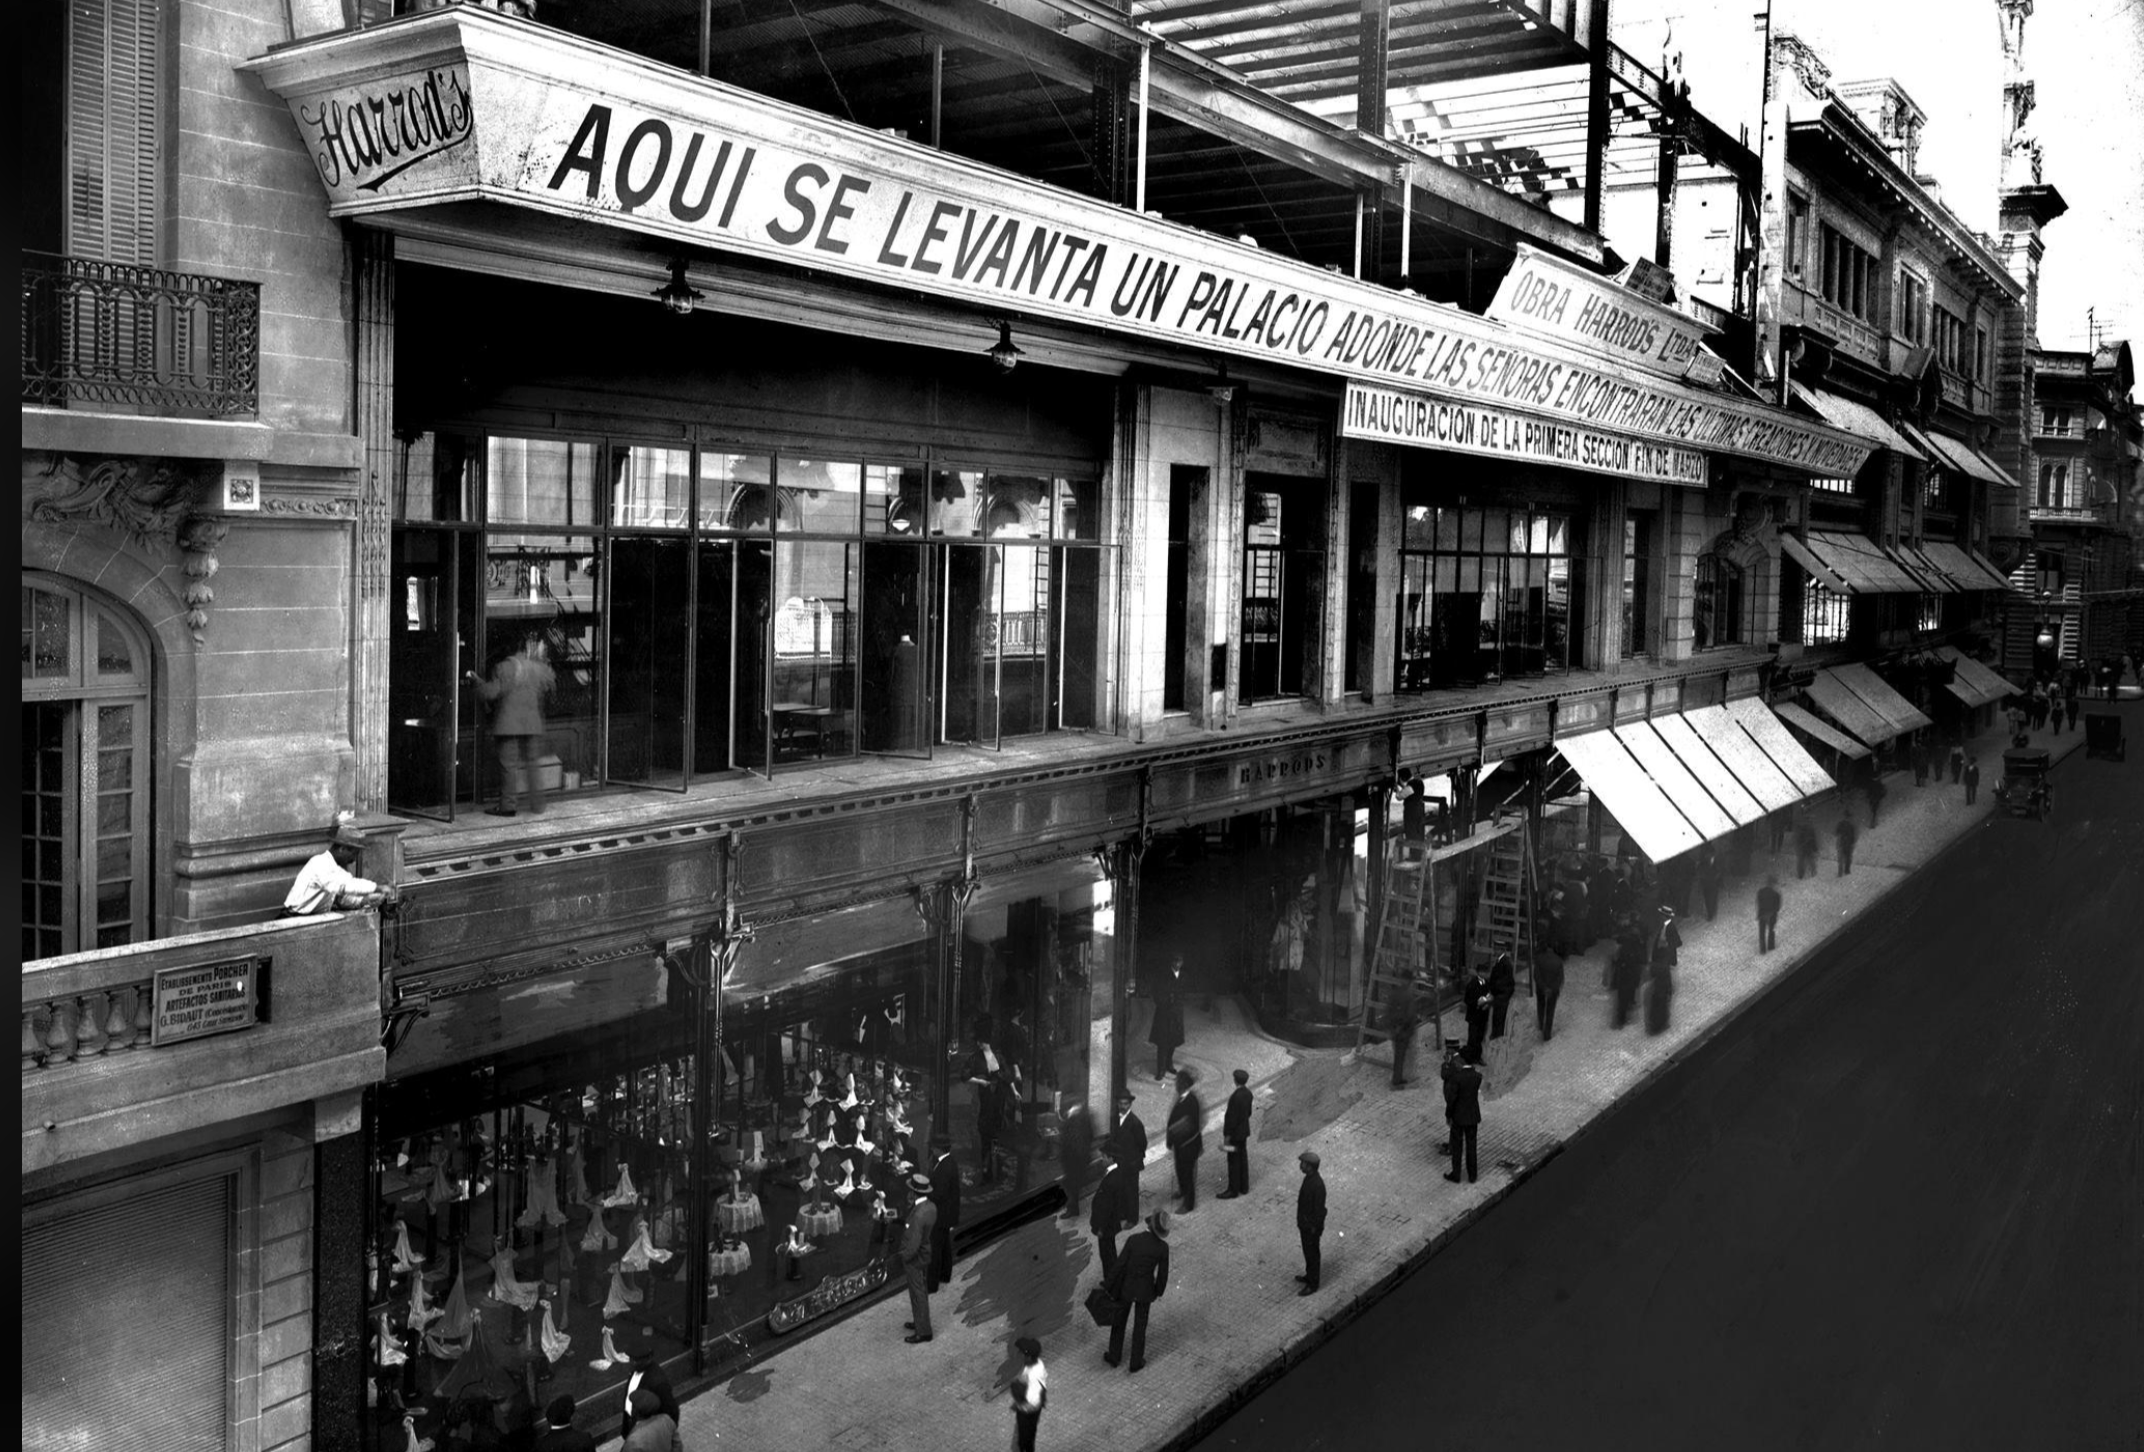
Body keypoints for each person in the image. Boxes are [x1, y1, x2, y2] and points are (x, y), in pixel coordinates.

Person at [467, 630, 555, 818]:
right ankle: (538, 805)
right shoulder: (537, 668)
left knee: (509, 766)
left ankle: (508, 806)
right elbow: (550, 683)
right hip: (532, 724)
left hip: (508, 725)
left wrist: (476, 682)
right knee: (533, 764)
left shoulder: (504, 667)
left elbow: (490, 693)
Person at [1102, 1210, 1170, 1372]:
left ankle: (1114, 1356)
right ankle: (1135, 1362)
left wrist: (1108, 1284)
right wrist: (1158, 1291)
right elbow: (1162, 1274)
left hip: (1127, 1287)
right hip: (1145, 1291)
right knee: (1140, 1326)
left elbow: (1120, 1265)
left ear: (1149, 1224)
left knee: (1119, 1322)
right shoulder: (1162, 1248)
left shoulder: (1134, 1240)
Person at [283, 819, 394, 916]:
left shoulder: (337, 870)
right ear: (342, 849)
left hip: (313, 918)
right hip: (294, 918)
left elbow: (341, 899)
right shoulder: (320, 863)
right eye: (353, 854)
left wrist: (364, 900)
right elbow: (345, 886)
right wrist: (377, 888)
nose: (354, 860)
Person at [965, 1029, 1015, 1185]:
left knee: (997, 1145)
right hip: (985, 1112)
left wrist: (999, 1074)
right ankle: (987, 1174)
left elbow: (1008, 1076)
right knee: (985, 1145)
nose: (979, 1045)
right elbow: (966, 1077)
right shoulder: (976, 1059)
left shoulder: (999, 1058)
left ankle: (998, 1172)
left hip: (997, 1112)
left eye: (982, 1042)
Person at [1089, 1144, 1139, 1282]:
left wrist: (1100, 1228)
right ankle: (1113, 1279)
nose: (1101, 1159)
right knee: (1109, 1252)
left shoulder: (1112, 1180)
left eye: (1103, 1157)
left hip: (1107, 1226)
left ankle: (1111, 1282)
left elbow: (1105, 1208)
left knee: (1107, 1254)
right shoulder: (1120, 1173)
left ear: (1111, 1158)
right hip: (1113, 1223)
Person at [899, 1170, 937, 1343]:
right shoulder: (930, 1207)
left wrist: (904, 1256)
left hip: (915, 1258)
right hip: (925, 1254)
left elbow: (914, 1242)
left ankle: (923, 1331)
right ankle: (920, 1322)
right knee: (920, 1291)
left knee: (917, 1293)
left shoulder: (918, 1214)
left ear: (914, 1192)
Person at [1440, 1046, 1483, 1184]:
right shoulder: (1477, 1076)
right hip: (1472, 1115)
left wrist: (1448, 1115)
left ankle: (1456, 1174)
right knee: (1472, 1146)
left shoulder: (1457, 1078)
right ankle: (1472, 1175)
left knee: (1457, 1147)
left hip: (1458, 1116)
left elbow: (1452, 1099)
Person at [1164, 1070, 1203, 1214]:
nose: (1176, 1084)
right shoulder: (1181, 1098)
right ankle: (1182, 1190)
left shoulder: (1192, 1101)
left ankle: (1188, 1203)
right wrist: (1170, 1140)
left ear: (1184, 1085)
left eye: (1178, 1082)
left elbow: (1188, 1125)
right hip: (1179, 1145)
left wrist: (1173, 1133)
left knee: (1188, 1174)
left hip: (1188, 1145)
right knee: (1180, 1170)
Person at [618, 1356, 678, 1448]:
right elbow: (677, 1444)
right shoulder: (667, 1422)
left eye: (633, 1360)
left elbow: (672, 1410)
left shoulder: (634, 1442)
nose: (630, 1362)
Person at [927, 1135, 960, 1293]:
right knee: (945, 1246)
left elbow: (939, 1194)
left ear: (939, 1149)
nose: (932, 1150)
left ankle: (932, 1284)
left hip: (941, 1215)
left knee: (936, 1249)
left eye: (934, 1148)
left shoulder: (944, 1167)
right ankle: (945, 1275)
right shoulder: (949, 1162)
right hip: (948, 1214)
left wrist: (925, 1194)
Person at [1147, 955, 1186, 1082]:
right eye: (1176, 961)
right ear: (1172, 962)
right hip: (1164, 1014)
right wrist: (1164, 1002)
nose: (1178, 964)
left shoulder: (1183, 976)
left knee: (1173, 1041)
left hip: (1176, 1014)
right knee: (1163, 1043)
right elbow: (1156, 992)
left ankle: (1169, 1064)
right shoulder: (1163, 975)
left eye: (1180, 961)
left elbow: (1184, 992)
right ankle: (1160, 1069)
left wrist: (1179, 1005)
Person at [1295, 1151, 1326, 1295]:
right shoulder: (1309, 1179)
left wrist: (1314, 1228)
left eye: (1303, 1163)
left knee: (1312, 1254)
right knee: (1308, 1253)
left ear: (1311, 1167)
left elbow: (1319, 1211)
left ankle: (1313, 1284)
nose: (1301, 1165)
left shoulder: (1317, 1185)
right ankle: (1309, 1276)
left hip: (1311, 1228)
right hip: (1305, 1225)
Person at [1056, 1100, 1094, 1220]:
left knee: (1071, 1184)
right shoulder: (1080, 1118)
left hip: (1075, 1159)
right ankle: (1073, 1208)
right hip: (1074, 1158)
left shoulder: (1079, 1120)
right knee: (1072, 1184)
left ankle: (1073, 1209)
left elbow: (1075, 1139)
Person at [1009, 1336, 1047, 1452]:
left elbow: (1030, 1398)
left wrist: (1018, 1389)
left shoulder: (1031, 1375)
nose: (1021, 1356)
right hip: (1036, 1406)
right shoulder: (1038, 1364)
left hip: (1027, 1409)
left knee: (1023, 1440)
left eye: (1023, 1354)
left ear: (1029, 1357)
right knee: (1030, 1436)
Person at [1219, 1069, 1253, 1198]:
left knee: (1233, 1162)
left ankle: (1233, 1190)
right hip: (1244, 1132)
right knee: (1243, 1159)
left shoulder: (1235, 1097)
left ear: (1235, 1080)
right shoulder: (1248, 1093)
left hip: (1234, 1135)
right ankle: (1244, 1187)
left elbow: (1231, 1120)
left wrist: (1227, 1137)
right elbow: (1249, 1112)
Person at [1387, 976, 1424, 1088]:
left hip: (1396, 1028)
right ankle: (1397, 1080)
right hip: (1403, 1030)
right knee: (1401, 1055)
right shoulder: (1408, 996)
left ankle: (1398, 1078)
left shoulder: (1396, 993)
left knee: (1399, 1055)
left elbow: (1389, 1010)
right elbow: (1408, 1015)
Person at [1610, 927, 1644, 1030]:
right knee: (1625, 998)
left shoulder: (1625, 948)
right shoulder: (1635, 948)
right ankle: (1621, 1019)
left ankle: (1620, 1019)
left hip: (1624, 977)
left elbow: (1617, 961)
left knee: (1622, 999)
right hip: (1629, 977)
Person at [1107, 1091, 1147, 1178]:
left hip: (1132, 1165)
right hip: (1120, 1162)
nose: (1123, 1107)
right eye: (1120, 1104)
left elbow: (1142, 1144)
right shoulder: (1115, 1119)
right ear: (1117, 1104)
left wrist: (1134, 1160)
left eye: (1125, 1104)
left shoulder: (1136, 1123)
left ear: (1130, 1105)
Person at [1459, 964, 1491, 1064]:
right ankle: (1470, 1059)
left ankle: (1477, 1056)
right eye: (1484, 972)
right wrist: (1477, 1003)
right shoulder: (1472, 984)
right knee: (1473, 1038)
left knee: (1480, 1037)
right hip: (1474, 1016)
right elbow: (1467, 1000)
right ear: (1479, 973)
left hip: (1483, 1015)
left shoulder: (1487, 983)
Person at [1533, 944, 1565, 1040]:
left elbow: (1536, 975)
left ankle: (1541, 1024)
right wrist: (1552, 988)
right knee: (1550, 1011)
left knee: (1541, 1006)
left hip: (1541, 989)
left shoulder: (1539, 959)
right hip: (1553, 991)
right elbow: (1560, 978)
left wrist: (1543, 987)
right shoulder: (1558, 961)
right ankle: (1547, 1033)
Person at [1486, 952, 1516, 1040]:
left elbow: (1508, 981)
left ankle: (1497, 1036)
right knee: (1497, 1016)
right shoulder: (1501, 961)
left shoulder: (1504, 963)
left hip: (1502, 994)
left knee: (1499, 1017)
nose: (1494, 950)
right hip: (1501, 994)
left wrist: (1497, 988)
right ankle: (1496, 1035)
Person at [1696, 843, 1723, 922]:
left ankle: (1713, 912)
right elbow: (1700, 872)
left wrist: (1718, 879)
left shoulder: (1717, 861)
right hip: (1707, 884)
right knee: (1708, 900)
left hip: (1714, 884)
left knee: (1713, 899)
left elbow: (1719, 870)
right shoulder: (1703, 863)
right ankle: (1710, 914)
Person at [1756, 876, 1782, 954]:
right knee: (1771, 930)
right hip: (1771, 914)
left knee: (1762, 932)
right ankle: (1771, 946)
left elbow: (1759, 903)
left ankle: (1762, 949)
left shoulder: (1760, 891)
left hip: (1762, 914)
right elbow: (1778, 906)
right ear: (1773, 884)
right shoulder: (1776, 894)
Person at [1794, 810, 1820, 880]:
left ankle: (1800, 875)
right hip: (1808, 846)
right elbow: (1813, 839)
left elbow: (1798, 838)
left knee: (1801, 860)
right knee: (1811, 859)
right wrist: (1815, 848)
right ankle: (1813, 872)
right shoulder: (1811, 828)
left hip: (1802, 846)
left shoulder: (1800, 827)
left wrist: (1798, 845)